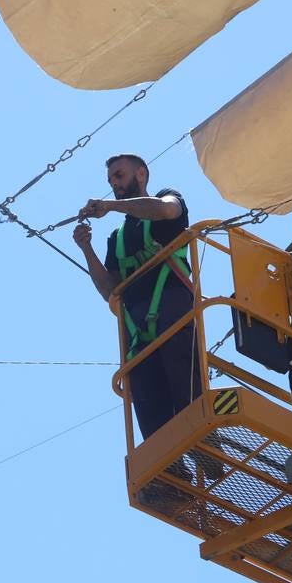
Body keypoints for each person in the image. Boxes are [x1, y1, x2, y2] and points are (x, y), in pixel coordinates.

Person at [73, 154, 199, 441]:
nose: (114, 184)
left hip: (172, 313)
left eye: (119, 176)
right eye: (110, 180)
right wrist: (86, 249)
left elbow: (166, 211)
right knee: (150, 408)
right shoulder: (117, 238)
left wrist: (110, 206)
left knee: (186, 391)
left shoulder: (168, 199)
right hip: (136, 332)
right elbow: (110, 291)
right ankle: (169, 479)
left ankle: (207, 449)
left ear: (141, 174)